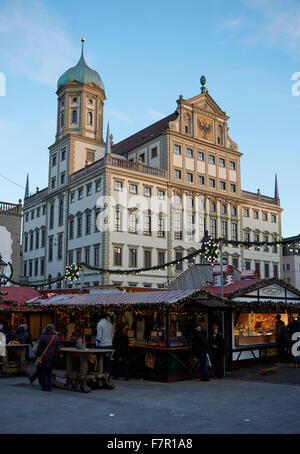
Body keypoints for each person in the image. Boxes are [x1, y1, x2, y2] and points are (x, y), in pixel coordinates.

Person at [36, 323, 60, 391]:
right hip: (51, 357)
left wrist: (38, 356)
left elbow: (39, 348)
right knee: (49, 372)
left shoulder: (43, 337)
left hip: (44, 357)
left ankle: (44, 386)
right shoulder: (56, 337)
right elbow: (58, 347)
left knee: (43, 372)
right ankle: (48, 386)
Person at [96, 314, 114, 378]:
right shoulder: (110, 324)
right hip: (109, 345)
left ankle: (101, 377)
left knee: (101, 362)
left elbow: (99, 336)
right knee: (108, 362)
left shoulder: (99, 324)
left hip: (102, 345)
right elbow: (112, 336)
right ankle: (108, 377)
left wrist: (97, 345)